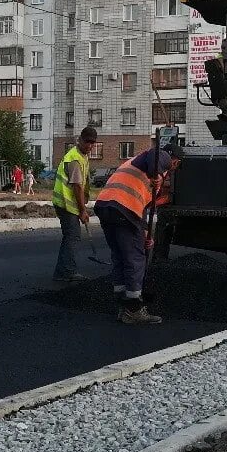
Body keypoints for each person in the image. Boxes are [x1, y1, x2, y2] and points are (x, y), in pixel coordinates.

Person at [95, 144, 180, 324]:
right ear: (175, 162)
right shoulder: (162, 157)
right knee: (135, 258)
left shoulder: (133, 165)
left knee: (119, 255)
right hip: (123, 209)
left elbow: (142, 208)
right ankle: (133, 310)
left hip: (105, 206)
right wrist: (156, 173)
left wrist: (146, 234)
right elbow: (155, 154)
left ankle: (122, 305)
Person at [52, 126, 97, 282]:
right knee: (73, 236)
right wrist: (82, 210)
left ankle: (62, 271)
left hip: (68, 203)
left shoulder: (82, 156)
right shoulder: (75, 158)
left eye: (92, 143)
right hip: (66, 203)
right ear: (80, 140)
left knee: (69, 237)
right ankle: (66, 272)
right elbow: (77, 186)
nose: (90, 146)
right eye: (87, 142)